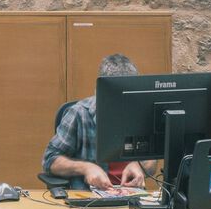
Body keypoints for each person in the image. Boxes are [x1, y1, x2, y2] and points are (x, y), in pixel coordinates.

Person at [42, 51, 154, 191]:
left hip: (133, 199)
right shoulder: (79, 113)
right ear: (99, 91)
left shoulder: (140, 115)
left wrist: (140, 167)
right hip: (89, 200)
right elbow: (50, 160)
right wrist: (86, 168)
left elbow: (151, 161)